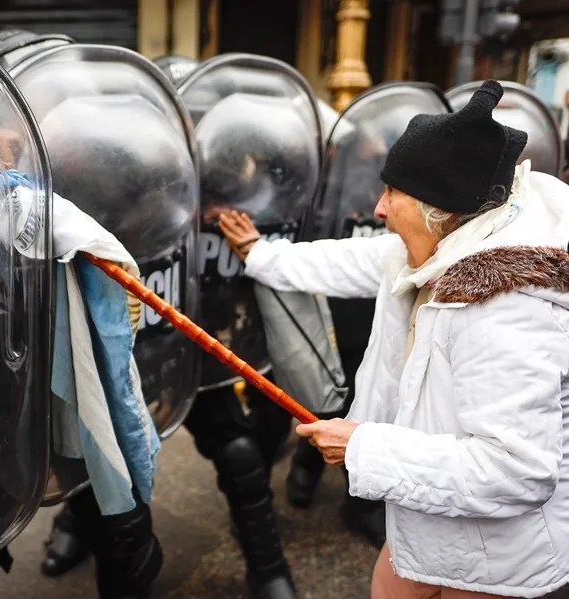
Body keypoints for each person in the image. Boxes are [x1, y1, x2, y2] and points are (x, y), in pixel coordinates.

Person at [220, 79, 569, 598]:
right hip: (430, 524)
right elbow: (345, 260)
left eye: (392, 192)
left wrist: (365, 448)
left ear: (441, 208)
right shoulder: (442, 245)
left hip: (497, 560)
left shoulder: (506, 308)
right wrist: (260, 253)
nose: (378, 209)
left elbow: (515, 471)